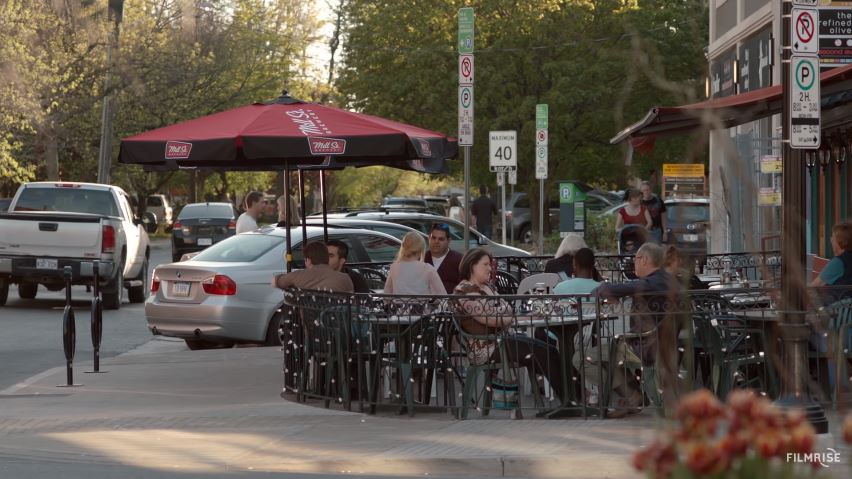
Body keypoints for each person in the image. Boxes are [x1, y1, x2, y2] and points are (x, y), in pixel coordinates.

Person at [453, 248, 564, 403]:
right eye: (485, 264)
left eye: (489, 264)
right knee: (541, 352)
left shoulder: (488, 287)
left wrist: (515, 315)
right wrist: (505, 314)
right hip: (485, 348)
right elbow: (491, 319)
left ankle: (573, 397)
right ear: (472, 265)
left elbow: (505, 310)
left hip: (502, 340)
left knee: (550, 350)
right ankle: (570, 399)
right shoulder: (464, 290)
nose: (490, 268)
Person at [587, 243, 682, 416]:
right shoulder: (666, 279)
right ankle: (634, 395)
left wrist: (603, 290)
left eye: (635, 259)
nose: (634, 263)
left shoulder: (654, 282)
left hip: (647, 345)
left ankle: (633, 395)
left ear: (644, 260)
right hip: (661, 342)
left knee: (583, 358)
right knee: (609, 353)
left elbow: (604, 289)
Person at [275, 241, 354, 292]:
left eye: (330, 256)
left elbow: (275, 281)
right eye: (325, 255)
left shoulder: (354, 278)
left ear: (342, 261)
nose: (327, 258)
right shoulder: (345, 278)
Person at [423, 223, 463, 294]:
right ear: (429, 238)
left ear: (449, 241)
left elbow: (464, 286)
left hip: (451, 303)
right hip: (424, 303)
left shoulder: (459, 260)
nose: (436, 241)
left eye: (441, 239)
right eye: (433, 238)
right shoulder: (422, 259)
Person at [811, 223, 852, 290]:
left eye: (833, 237)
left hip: (843, 299)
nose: (830, 240)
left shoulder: (839, 262)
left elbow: (816, 285)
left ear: (840, 241)